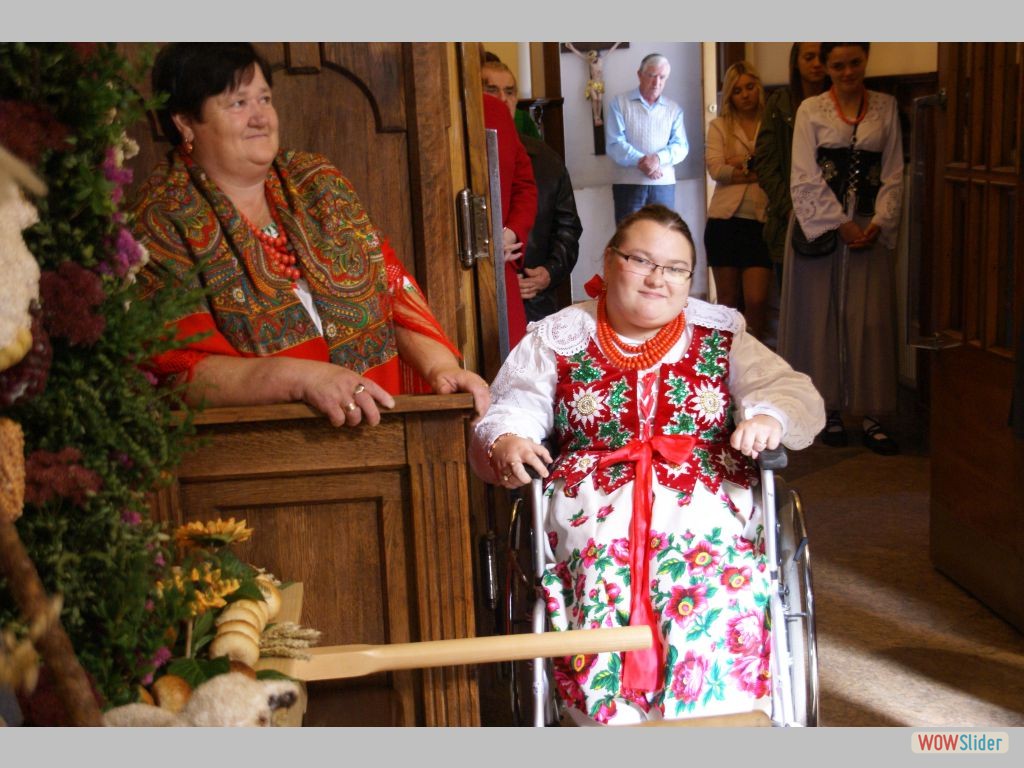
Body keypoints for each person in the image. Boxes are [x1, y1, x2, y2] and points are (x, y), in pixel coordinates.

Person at [470, 204, 824, 725]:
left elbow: (789, 389)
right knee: (599, 565)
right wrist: (509, 439)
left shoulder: (719, 333)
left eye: (676, 268)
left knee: (713, 561)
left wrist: (769, 416)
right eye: (641, 260)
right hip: (594, 500)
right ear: (609, 260)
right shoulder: (560, 334)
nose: (658, 278)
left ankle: (719, 713)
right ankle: (610, 720)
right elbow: (513, 405)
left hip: (706, 494)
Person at [131, 43, 490, 426]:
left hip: (382, 434)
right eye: (238, 103)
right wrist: (300, 380)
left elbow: (390, 286)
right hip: (263, 449)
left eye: (264, 99)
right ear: (186, 121)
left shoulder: (317, 180)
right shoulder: (162, 218)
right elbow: (177, 372)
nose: (260, 118)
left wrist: (440, 367)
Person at [777, 43, 904, 455]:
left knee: (870, 318)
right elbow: (803, 173)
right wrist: (840, 223)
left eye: (854, 63)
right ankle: (827, 408)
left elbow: (894, 171)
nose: (847, 71)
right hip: (822, 226)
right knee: (820, 314)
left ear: (865, 61)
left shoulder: (886, 107)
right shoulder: (811, 110)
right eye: (837, 65)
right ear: (826, 67)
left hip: (869, 224)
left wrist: (879, 221)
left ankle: (871, 412)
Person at [481, 60, 583, 322]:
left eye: (509, 91)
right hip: (482, 295)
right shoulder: (464, 155)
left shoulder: (546, 159)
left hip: (536, 303)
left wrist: (549, 272)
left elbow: (568, 228)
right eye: (491, 90)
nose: (502, 99)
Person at [703, 61, 771, 341]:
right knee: (728, 303)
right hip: (725, 223)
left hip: (761, 222)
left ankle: (756, 357)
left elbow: (775, 168)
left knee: (757, 301)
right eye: (737, 90)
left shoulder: (770, 123)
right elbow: (716, 169)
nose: (745, 95)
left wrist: (738, 163)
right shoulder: (719, 126)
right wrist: (753, 165)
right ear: (729, 95)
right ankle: (725, 358)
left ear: (758, 88)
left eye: (750, 87)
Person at [753, 43, 828, 281]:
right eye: (809, 57)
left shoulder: (838, 101)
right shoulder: (780, 103)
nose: (817, 64)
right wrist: (789, 209)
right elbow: (766, 163)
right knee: (793, 292)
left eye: (822, 57)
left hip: (833, 215)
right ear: (796, 62)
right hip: (789, 217)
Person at [482, 90, 538, 348]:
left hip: (500, 263)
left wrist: (512, 232)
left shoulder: (494, 109)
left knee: (507, 358)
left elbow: (523, 184)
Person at [605, 54, 689, 223]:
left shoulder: (674, 109)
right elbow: (614, 144)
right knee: (628, 234)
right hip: (628, 184)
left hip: (663, 184)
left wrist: (658, 159)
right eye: (651, 75)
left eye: (662, 77)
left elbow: (681, 146)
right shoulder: (620, 103)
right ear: (639, 75)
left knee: (663, 233)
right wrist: (642, 162)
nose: (657, 82)